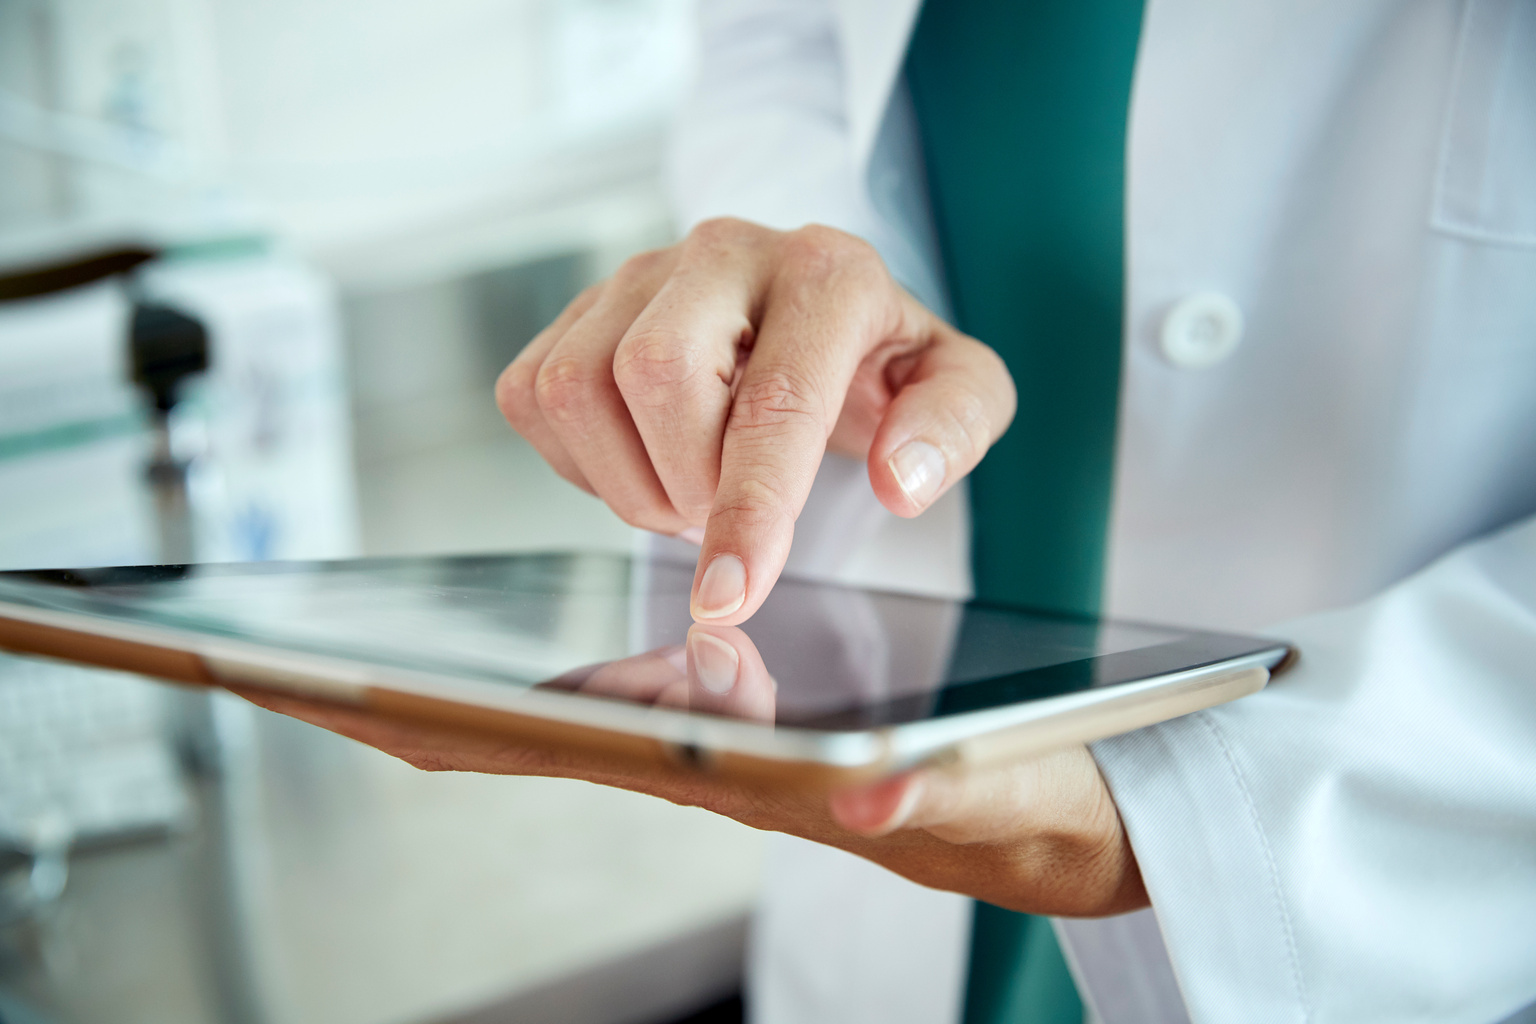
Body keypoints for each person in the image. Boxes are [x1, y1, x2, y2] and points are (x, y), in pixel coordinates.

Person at [258, 1, 1536, 1020]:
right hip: (884, 909)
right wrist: (802, 275)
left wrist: (1205, 814)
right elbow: (782, 37)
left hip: (1423, 852)